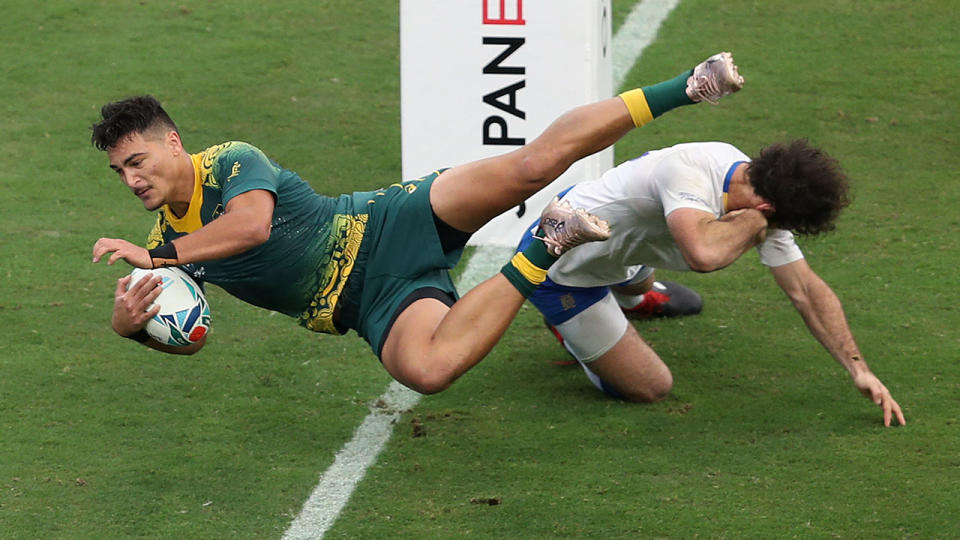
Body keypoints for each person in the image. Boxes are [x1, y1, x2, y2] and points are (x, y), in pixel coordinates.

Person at [90, 52, 745, 396]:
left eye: (137, 161)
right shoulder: (164, 249)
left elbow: (253, 228)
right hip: (367, 302)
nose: (132, 179)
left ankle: (688, 86)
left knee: (530, 165)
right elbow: (192, 334)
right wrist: (134, 330)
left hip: (384, 222)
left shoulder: (230, 162)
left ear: (173, 143)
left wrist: (161, 260)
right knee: (428, 372)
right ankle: (550, 240)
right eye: (121, 172)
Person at [516, 137, 907, 426]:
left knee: (634, 275)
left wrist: (858, 367)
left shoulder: (760, 189)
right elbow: (702, 256)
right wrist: (753, 223)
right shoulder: (692, 171)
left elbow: (804, 288)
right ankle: (574, 336)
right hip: (561, 263)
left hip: (624, 250)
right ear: (767, 207)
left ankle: (633, 298)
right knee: (650, 387)